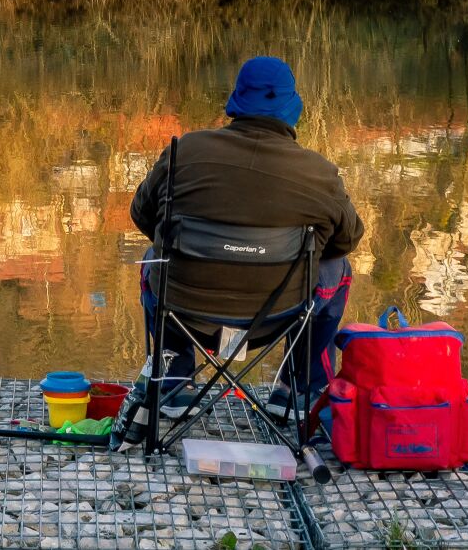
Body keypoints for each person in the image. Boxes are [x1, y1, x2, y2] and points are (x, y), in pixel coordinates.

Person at [130, 56, 363, 416]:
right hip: (278, 318)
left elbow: (142, 215)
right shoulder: (320, 174)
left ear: (236, 100)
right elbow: (347, 239)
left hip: (187, 315)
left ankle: (174, 380)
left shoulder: (184, 152)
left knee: (153, 260)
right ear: (291, 107)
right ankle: (298, 388)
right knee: (338, 267)